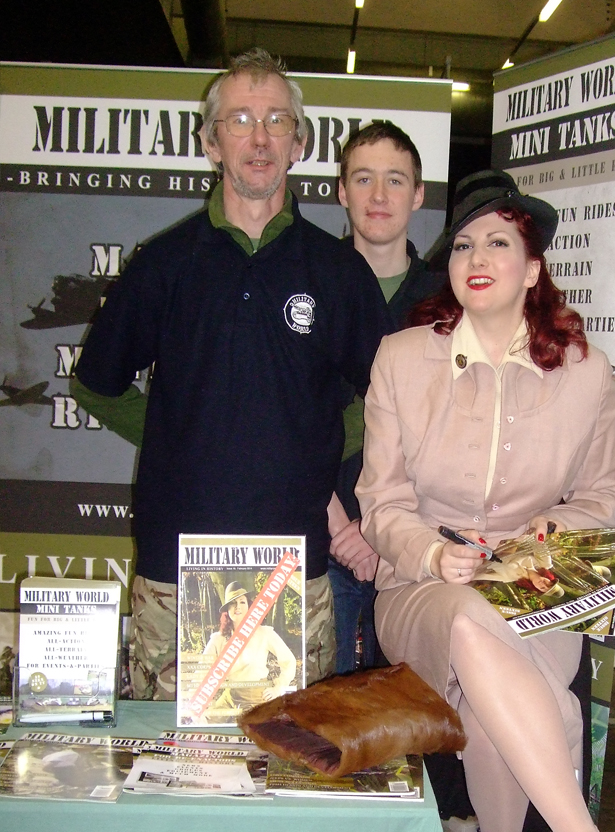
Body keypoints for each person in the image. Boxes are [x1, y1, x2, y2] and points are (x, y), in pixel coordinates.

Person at [356, 169, 615, 832]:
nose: (477, 257)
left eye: (498, 242)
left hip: (535, 587)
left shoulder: (586, 371)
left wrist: (557, 526)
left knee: (492, 707)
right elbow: (380, 501)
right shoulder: (402, 359)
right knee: (472, 623)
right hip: (424, 588)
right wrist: (431, 552)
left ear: (533, 266)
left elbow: (603, 495)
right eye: (463, 245)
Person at [71, 49, 392, 698]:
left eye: (277, 120)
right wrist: (176, 433)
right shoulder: (163, 265)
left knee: (290, 749)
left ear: (299, 144)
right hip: (175, 567)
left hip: (293, 569)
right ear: (210, 142)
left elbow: (389, 396)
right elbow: (95, 384)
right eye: (240, 120)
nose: (259, 137)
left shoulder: (338, 274)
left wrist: (315, 447)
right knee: (169, 752)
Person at [327, 122, 443, 673]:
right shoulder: (305, 286)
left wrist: (388, 533)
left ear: (418, 194)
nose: (378, 196)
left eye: (395, 180)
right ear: (342, 190)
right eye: (363, 179)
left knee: (404, 712)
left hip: (418, 546)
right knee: (311, 710)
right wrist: (340, 527)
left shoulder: (449, 300)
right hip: (322, 535)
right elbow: (280, 417)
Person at [203, 581, 297, 705]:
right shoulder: (218, 638)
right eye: (232, 603)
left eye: (242, 602)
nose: (237, 607)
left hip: (255, 696)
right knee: (208, 716)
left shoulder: (264, 633)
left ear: (249, 606)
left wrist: (278, 688)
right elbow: (201, 671)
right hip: (229, 696)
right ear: (227, 610)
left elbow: (289, 661)